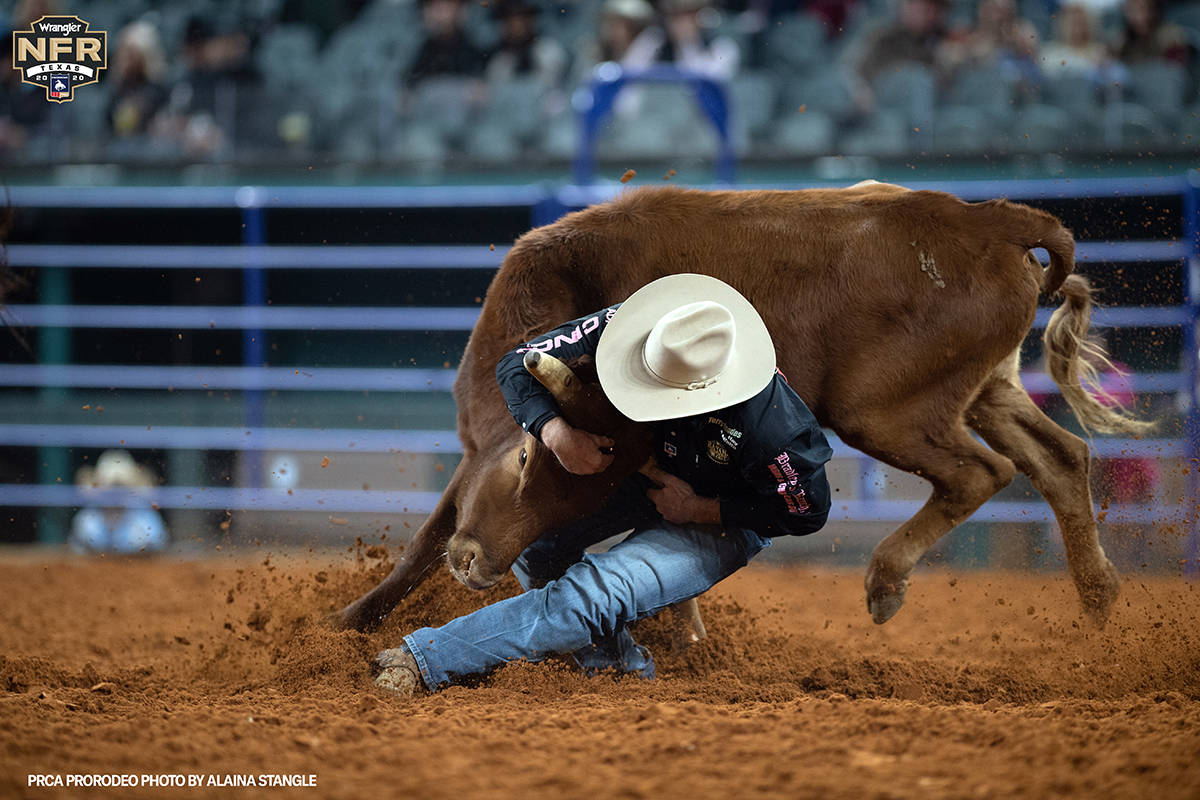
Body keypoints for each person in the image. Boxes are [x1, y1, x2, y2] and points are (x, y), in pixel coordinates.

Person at [373, 274, 833, 694]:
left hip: (720, 514)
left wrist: (698, 510)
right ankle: (619, 669)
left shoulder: (776, 432)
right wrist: (555, 432)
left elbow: (806, 510)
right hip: (644, 473)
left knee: (592, 595)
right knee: (538, 548)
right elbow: (516, 365)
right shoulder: (631, 326)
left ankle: (426, 659)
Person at [70, 450, 169, 555]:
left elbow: (157, 547)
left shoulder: (145, 519)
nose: (116, 494)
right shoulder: (87, 520)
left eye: (121, 487)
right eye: (112, 488)